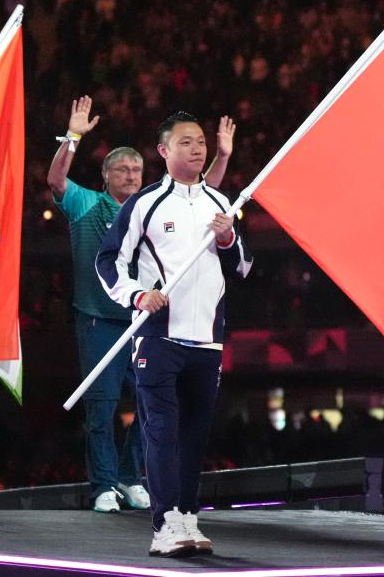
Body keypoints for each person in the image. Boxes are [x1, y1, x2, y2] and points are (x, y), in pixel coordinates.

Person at [49, 96, 235, 514]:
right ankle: (103, 485)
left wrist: (221, 157)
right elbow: (57, 179)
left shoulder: (148, 206)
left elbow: (205, 196)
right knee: (102, 406)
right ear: (105, 176)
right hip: (99, 320)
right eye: (122, 169)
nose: (131, 175)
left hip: (146, 321)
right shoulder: (88, 204)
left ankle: (130, 477)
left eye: (136, 169)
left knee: (151, 404)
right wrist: (73, 135)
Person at [96, 111, 252, 558]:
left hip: (207, 339)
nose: (197, 149)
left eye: (200, 141)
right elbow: (108, 261)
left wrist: (228, 240)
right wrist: (137, 295)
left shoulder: (219, 202)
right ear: (163, 150)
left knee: (194, 436)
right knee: (161, 431)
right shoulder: (144, 204)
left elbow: (243, 265)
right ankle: (164, 523)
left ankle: (186, 516)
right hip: (158, 338)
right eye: (186, 142)